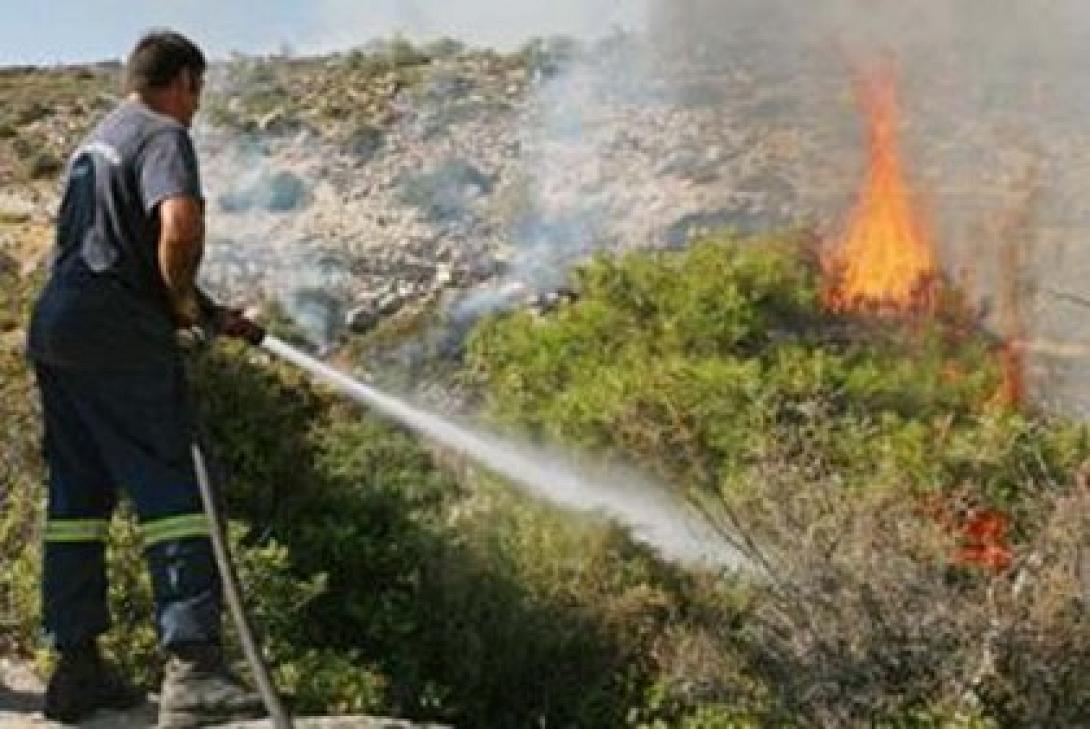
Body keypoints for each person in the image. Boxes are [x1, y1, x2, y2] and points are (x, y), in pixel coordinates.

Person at [26, 30, 265, 727]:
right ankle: (193, 667)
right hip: (117, 334)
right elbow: (179, 228)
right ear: (183, 81)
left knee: (78, 497)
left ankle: (76, 669)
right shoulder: (163, 133)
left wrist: (214, 314)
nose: (196, 108)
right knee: (178, 487)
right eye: (198, 92)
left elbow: (116, 250)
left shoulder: (97, 139)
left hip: (60, 325)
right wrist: (185, 305)